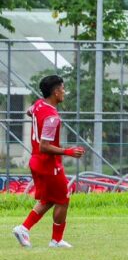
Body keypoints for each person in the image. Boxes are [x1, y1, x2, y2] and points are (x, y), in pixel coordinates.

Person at [12, 75, 85, 248]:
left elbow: (29, 111)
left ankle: (23, 228)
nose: (64, 92)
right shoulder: (52, 116)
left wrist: (37, 118)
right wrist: (68, 151)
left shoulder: (38, 104)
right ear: (55, 91)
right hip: (47, 163)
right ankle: (56, 240)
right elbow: (45, 146)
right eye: (62, 88)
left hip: (36, 161)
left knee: (49, 199)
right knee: (63, 198)